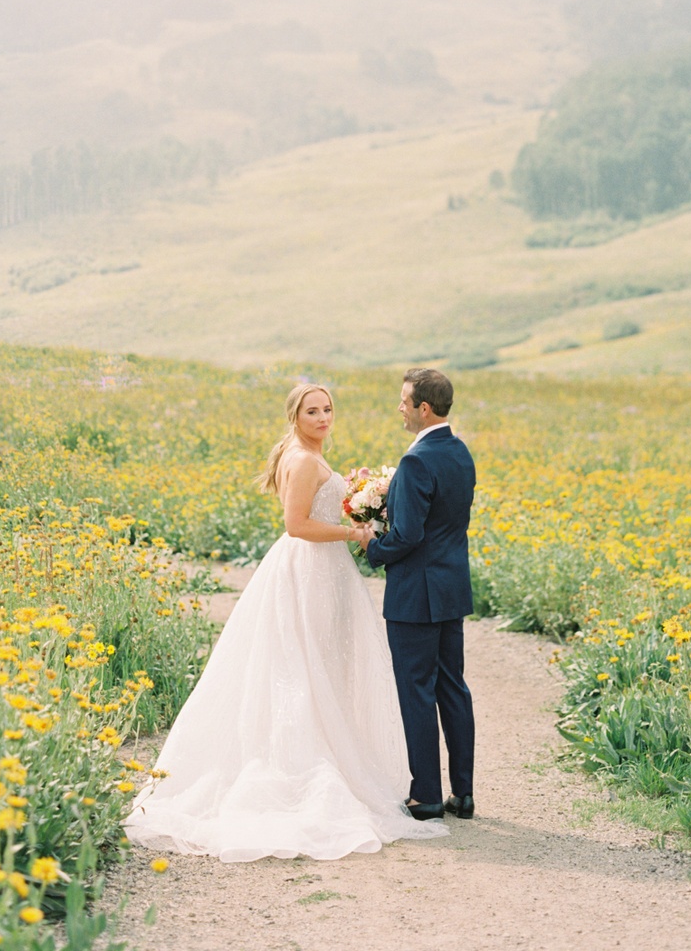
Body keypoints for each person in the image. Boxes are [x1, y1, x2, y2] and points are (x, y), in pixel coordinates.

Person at [123, 382, 448, 862]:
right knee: (304, 666)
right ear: (295, 417)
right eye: (312, 411)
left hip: (325, 570)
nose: (323, 418)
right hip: (309, 570)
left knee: (321, 666)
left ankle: (327, 749)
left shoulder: (310, 456)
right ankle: (303, 764)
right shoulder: (302, 460)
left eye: (328, 409)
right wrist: (354, 531)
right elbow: (296, 525)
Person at [362, 368, 476, 821]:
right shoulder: (460, 453)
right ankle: (462, 794)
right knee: (453, 689)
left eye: (404, 401)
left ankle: (426, 794)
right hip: (451, 589)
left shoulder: (415, 461)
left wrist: (372, 545)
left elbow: (407, 536)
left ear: (423, 408)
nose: (400, 408)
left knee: (416, 692)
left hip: (415, 597)